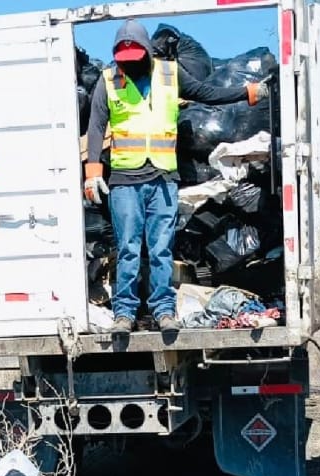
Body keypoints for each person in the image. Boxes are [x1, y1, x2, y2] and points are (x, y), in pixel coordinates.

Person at [84, 19, 269, 333]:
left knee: (160, 250)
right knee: (129, 248)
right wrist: (92, 172)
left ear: (146, 53)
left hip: (162, 179)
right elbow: (96, 126)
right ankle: (124, 315)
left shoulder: (169, 74)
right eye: (124, 62)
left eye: (136, 60)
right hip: (125, 182)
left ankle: (163, 312)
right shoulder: (107, 80)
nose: (130, 67)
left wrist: (247, 93)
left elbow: (207, 93)